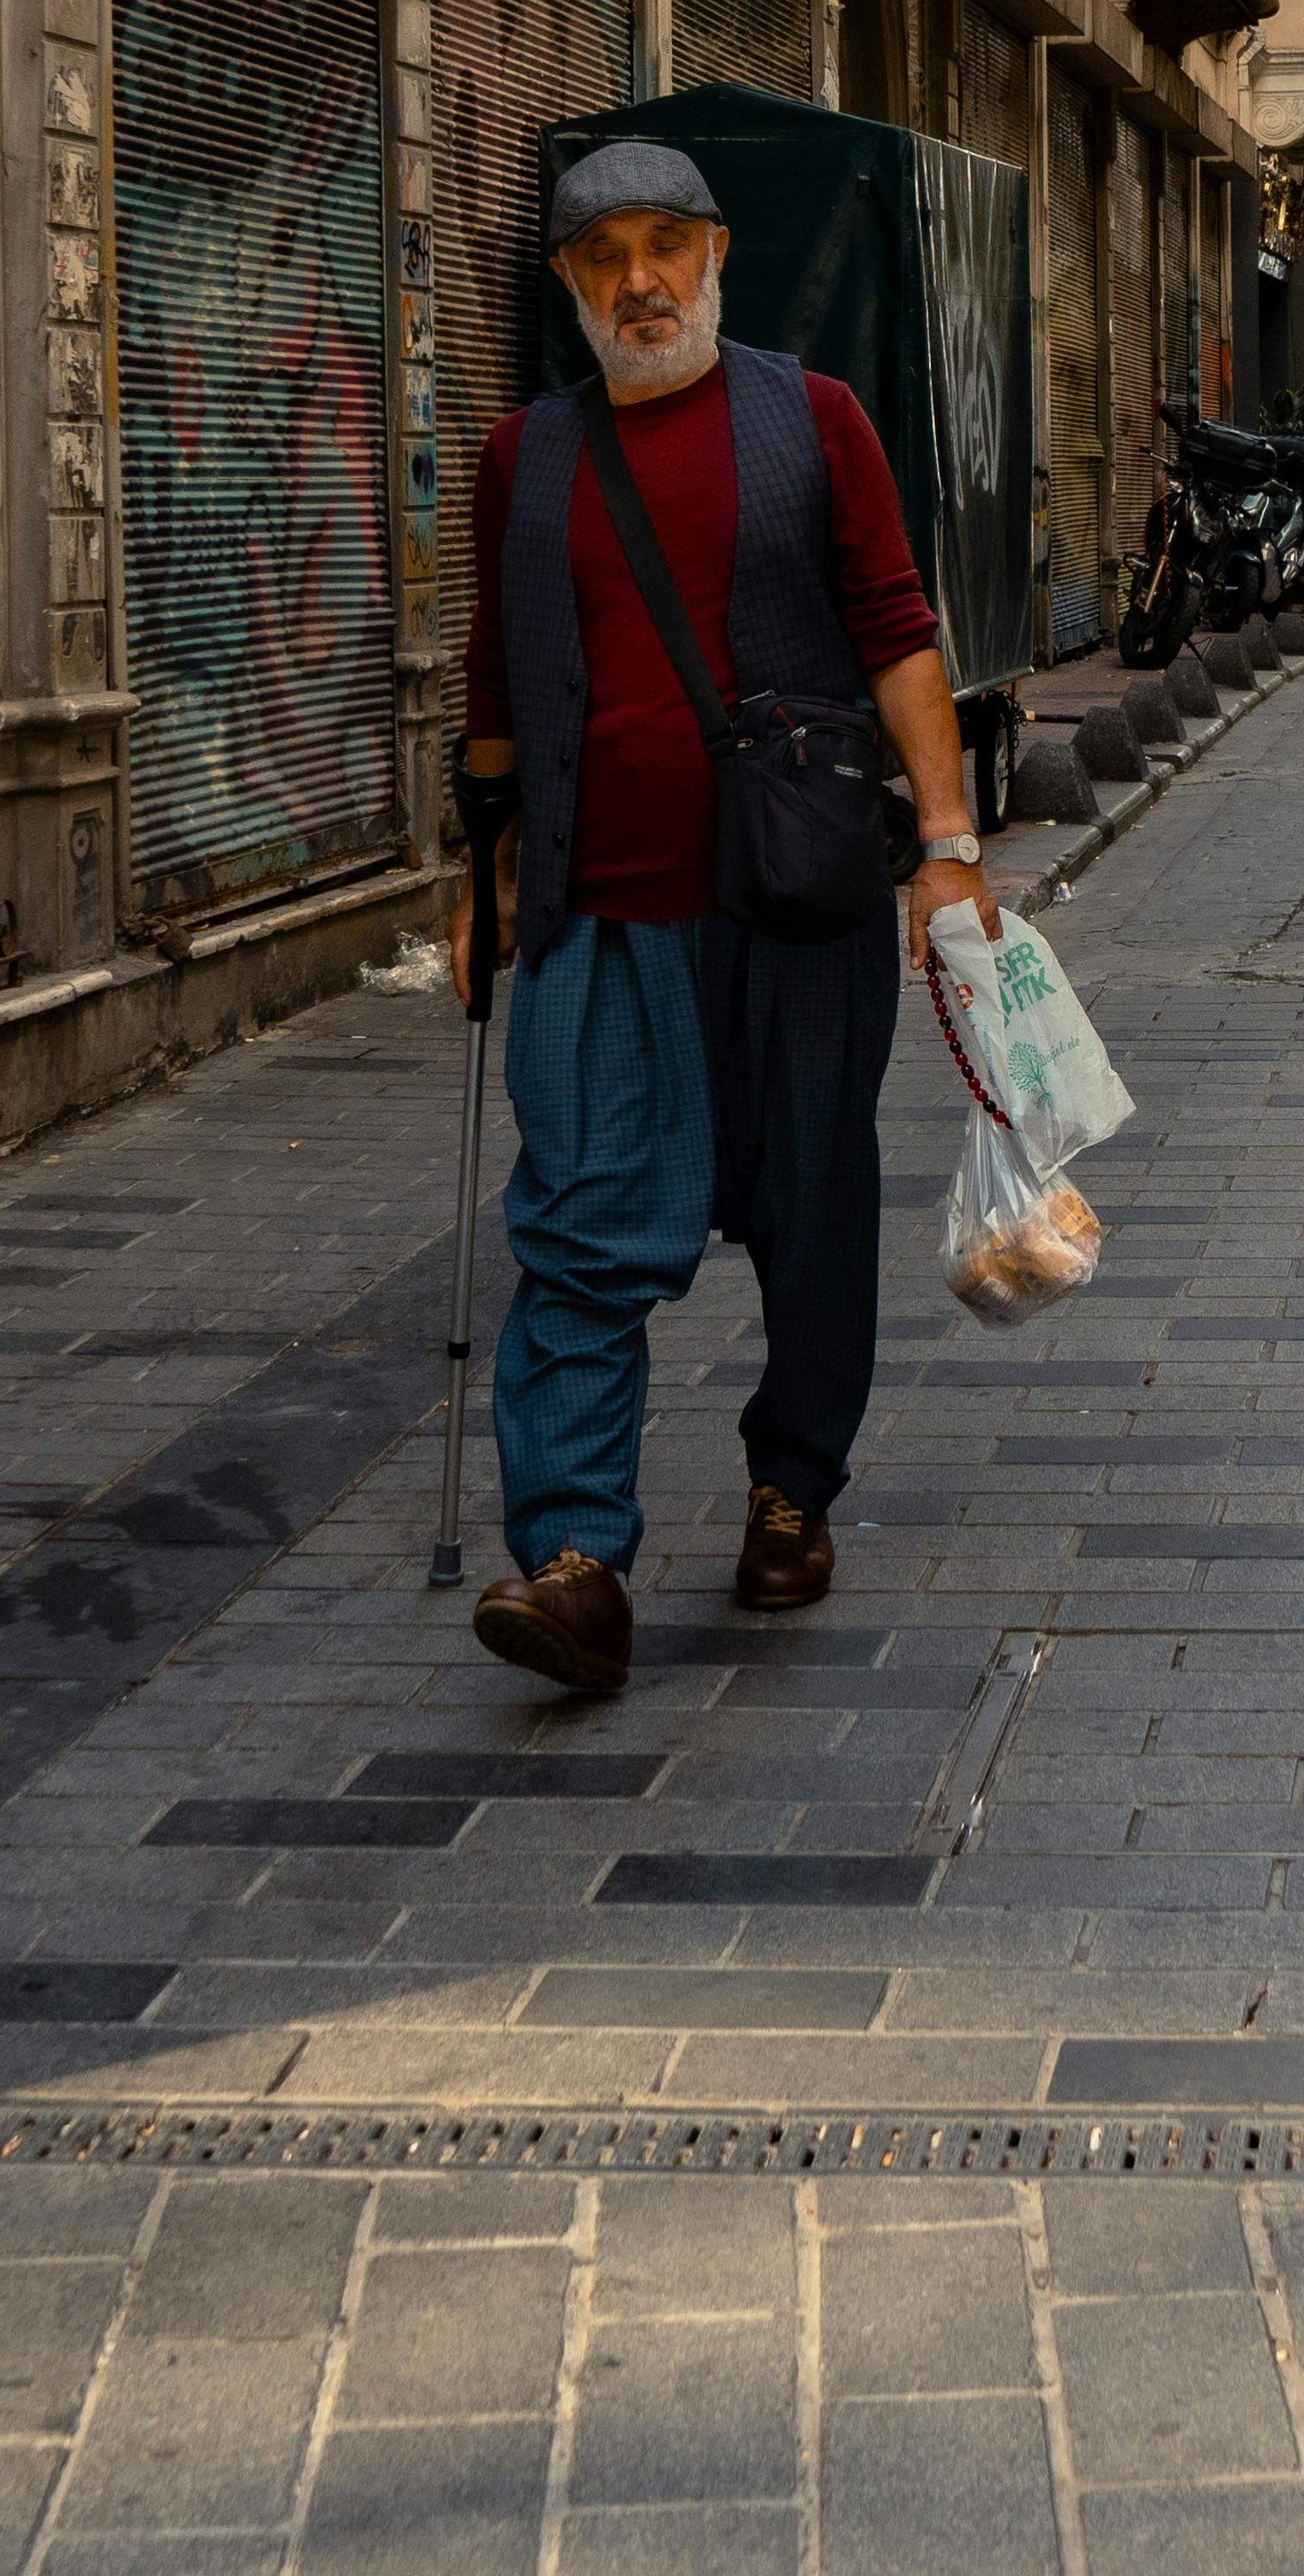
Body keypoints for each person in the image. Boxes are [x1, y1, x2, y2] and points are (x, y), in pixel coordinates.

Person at [453, 142, 995, 1695]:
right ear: (566, 284)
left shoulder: (806, 417)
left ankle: (790, 1489)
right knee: (573, 1224)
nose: (640, 278)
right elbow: (496, 677)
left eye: (666, 246)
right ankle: (574, 1559)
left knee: (811, 1202)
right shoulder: (525, 456)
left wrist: (946, 845)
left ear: (716, 254)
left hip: (797, 897)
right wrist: (479, 873)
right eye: (604, 253)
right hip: (596, 915)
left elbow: (897, 631)